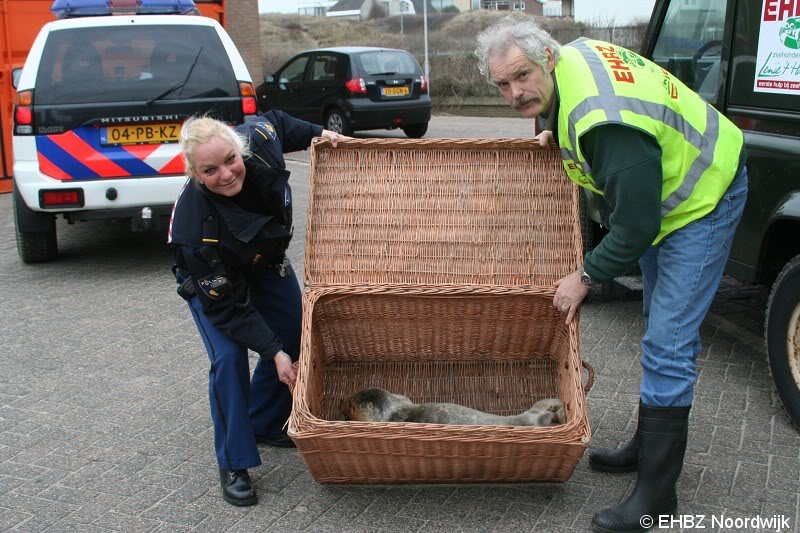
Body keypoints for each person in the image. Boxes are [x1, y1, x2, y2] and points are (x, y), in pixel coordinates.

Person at [475, 16, 747, 533]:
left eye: (523, 77)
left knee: (668, 341)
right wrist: (553, 129)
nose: (515, 92)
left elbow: (636, 227)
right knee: (658, 328)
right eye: (503, 85)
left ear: (547, 58)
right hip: (661, 194)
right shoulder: (570, 60)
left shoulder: (603, 121)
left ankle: (658, 501)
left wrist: (585, 276)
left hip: (704, 195)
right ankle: (647, 449)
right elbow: (629, 201)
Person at [168, 111, 344, 507]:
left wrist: (321, 133)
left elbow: (280, 122)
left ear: (239, 147)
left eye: (231, 159)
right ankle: (233, 460)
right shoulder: (194, 231)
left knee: (299, 329)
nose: (227, 174)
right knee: (229, 357)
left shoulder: (258, 141)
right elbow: (230, 311)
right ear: (195, 174)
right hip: (214, 281)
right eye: (210, 170)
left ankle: (263, 420)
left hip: (263, 257)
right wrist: (274, 353)